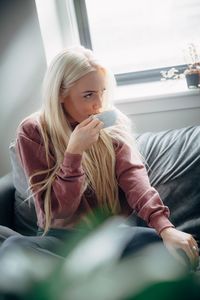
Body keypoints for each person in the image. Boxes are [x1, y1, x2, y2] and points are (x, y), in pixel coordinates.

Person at [1, 46, 199, 268]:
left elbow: (136, 182)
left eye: (101, 92)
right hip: (60, 239)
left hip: (112, 237)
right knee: (13, 248)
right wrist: (73, 154)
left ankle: (77, 276)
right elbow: (59, 212)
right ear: (59, 95)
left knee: (165, 248)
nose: (99, 104)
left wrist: (166, 228)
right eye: (88, 95)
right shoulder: (32, 131)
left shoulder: (113, 125)